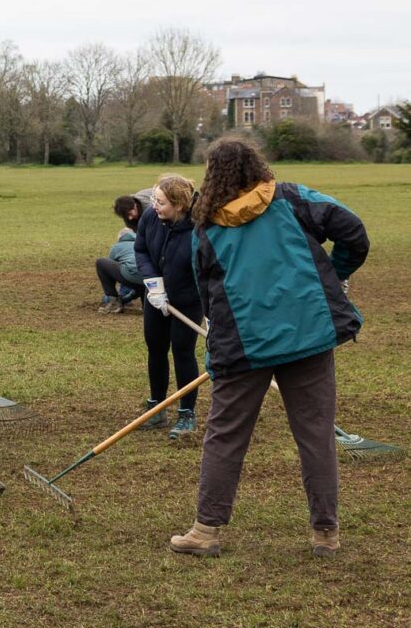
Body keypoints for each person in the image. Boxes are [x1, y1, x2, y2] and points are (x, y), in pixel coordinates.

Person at [170, 137, 368, 559]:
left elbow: (206, 293)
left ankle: (207, 530)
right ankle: (325, 533)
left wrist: (330, 274)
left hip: (247, 347)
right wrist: (336, 271)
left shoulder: (206, 225)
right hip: (304, 336)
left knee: (224, 437)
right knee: (316, 436)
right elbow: (354, 232)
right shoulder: (294, 198)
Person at [134, 174, 204, 440]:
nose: (154, 205)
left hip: (187, 300)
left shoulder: (200, 230)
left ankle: (187, 413)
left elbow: (205, 271)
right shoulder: (150, 218)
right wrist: (153, 284)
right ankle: (158, 407)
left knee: (183, 352)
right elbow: (140, 250)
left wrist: (211, 309)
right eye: (154, 199)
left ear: (180, 205)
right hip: (155, 297)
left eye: (161, 201)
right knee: (156, 347)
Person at [96, 195, 145, 313]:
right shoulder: (144, 241)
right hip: (150, 279)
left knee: (101, 264)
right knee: (140, 276)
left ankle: (113, 301)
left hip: (133, 277)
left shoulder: (117, 247)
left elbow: (112, 271)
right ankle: (147, 306)